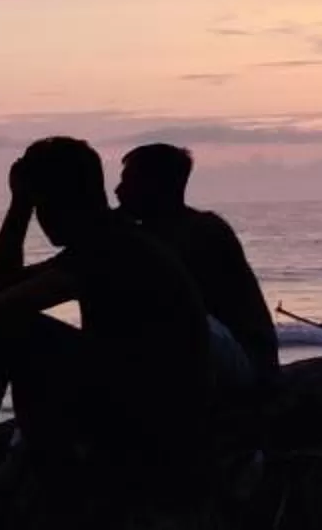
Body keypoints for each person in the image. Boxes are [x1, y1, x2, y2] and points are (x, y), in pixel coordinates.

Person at [0, 137, 226, 470]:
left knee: (10, 327)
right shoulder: (105, 240)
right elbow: (0, 290)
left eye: (41, 206)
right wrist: (19, 206)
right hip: (151, 407)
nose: (41, 219)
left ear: (61, 201)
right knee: (3, 322)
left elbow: (2, 310)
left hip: (159, 424)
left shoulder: (111, 247)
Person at [117, 143, 279, 383]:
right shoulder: (145, 234)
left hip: (243, 361)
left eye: (128, 181)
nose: (118, 191)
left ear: (154, 186)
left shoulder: (201, 231)